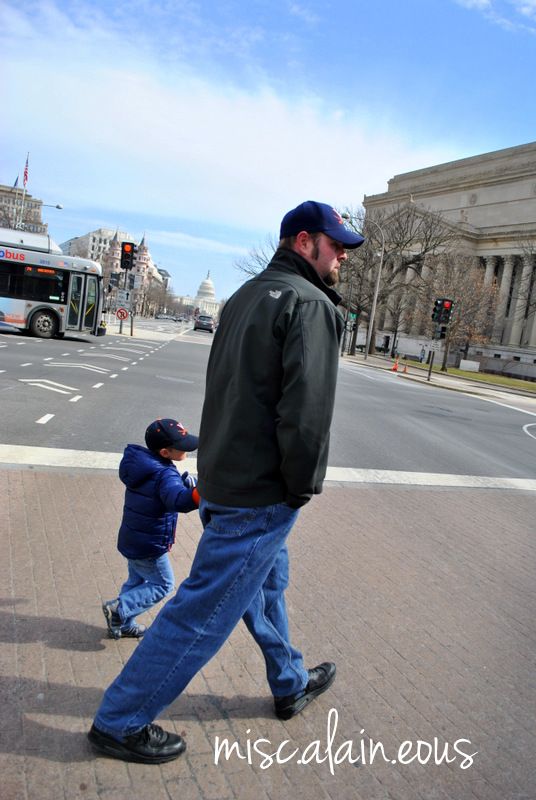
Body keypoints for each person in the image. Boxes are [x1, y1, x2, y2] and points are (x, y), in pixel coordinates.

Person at [88, 200, 365, 764]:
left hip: (223, 477)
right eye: (335, 245)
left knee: (265, 584)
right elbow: (305, 413)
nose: (341, 256)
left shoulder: (243, 297)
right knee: (202, 611)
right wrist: (300, 487)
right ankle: (120, 720)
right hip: (260, 491)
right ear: (304, 241)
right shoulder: (310, 304)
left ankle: (288, 681)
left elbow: (228, 391)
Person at [101, 418, 200, 640]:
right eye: (182, 446)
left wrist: (183, 483)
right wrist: (199, 493)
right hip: (150, 545)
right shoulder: (164, 474)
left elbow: (158, 490)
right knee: (163, 584)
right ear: (165, 452)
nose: (187, 449)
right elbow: (176, 500)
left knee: (136, 581)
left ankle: (123, 623)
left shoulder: (143, 465)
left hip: (133, 538)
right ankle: (120, 609)